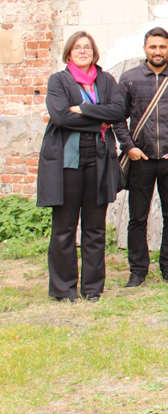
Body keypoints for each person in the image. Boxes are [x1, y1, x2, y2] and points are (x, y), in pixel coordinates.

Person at [38, 32, 127, 302]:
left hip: (98, 159)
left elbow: (119, 111)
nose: (83, 51)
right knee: (64, 227)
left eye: (87, 47)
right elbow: (60, 116)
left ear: (94, 52)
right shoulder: (59, 80)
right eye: (78, 48)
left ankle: (92, 289)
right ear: (69, 53)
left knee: (94, 227)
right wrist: (98, 120)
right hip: (67, 162)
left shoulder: (106, 80)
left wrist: (83, 109)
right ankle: (64, 290)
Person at [114, 27, 168, 286]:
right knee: (137, 217)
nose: (157, 51)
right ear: (145, 49)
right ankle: (137, 270)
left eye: (162, 47)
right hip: (141, 159)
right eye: (153, 47)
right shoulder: (129, 79)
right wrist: (129, 147)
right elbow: (118, 117)